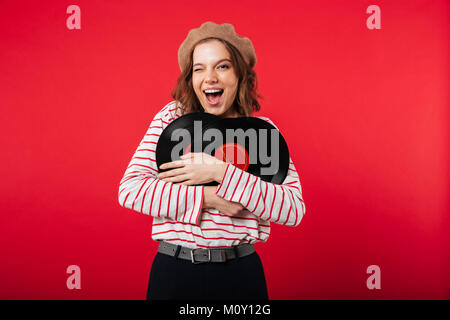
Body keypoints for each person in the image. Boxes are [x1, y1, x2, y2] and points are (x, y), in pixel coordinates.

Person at [118, 21, 306, 300]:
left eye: (222, 66)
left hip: (241, 275)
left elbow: (292, 209)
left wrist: (221, 171)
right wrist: (210, 197)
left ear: (240, 75)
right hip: (174, 272)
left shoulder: (262, 133)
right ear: (191, 79)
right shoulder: (172, 119)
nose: (210, 78)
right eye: (199, 68)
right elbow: (131, 190)